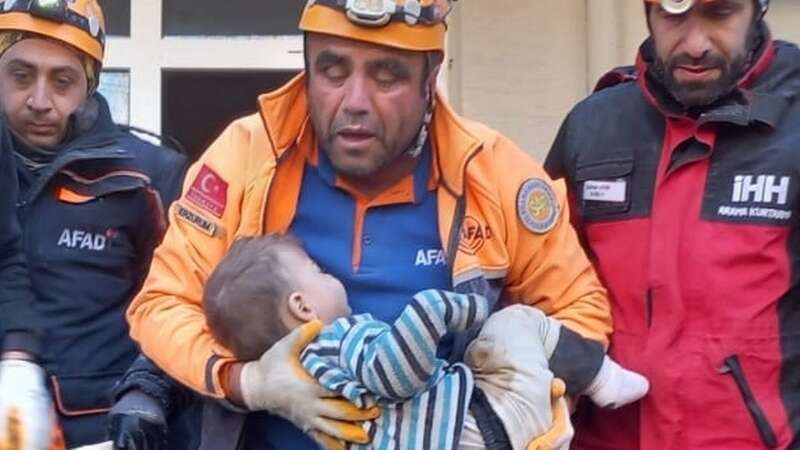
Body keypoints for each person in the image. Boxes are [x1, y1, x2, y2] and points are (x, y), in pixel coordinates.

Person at [127, 1, 616, 449]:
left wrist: (500, 420)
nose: (355, 100)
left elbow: (579, 315)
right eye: (333, 71)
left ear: (432, 77)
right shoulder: (246, 155)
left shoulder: (495, 173)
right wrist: (248, 382)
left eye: (386, 76)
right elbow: (163, 303)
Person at [544, 0, 800, 448]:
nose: (695, 44)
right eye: (674, 16)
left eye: (720, 14)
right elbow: (542, 285)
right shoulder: (593, 127)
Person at [201, 235, 649, 449]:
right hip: (482, 428)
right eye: (319, 273)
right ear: (302, 307)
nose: (332, 276)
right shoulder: (337, 342)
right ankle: (602, 377)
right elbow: (394, 376)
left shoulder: (306, 378)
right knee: (515, 321)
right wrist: (442, 311)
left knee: (481, 357)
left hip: (469, 432)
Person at [0, 0, 189, 447]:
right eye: (21, 76)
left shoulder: (149, 177)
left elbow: (186, 303)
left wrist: (147, 398)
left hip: (104, 431)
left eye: (62, 81)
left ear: (91, 82)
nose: (39, 101)